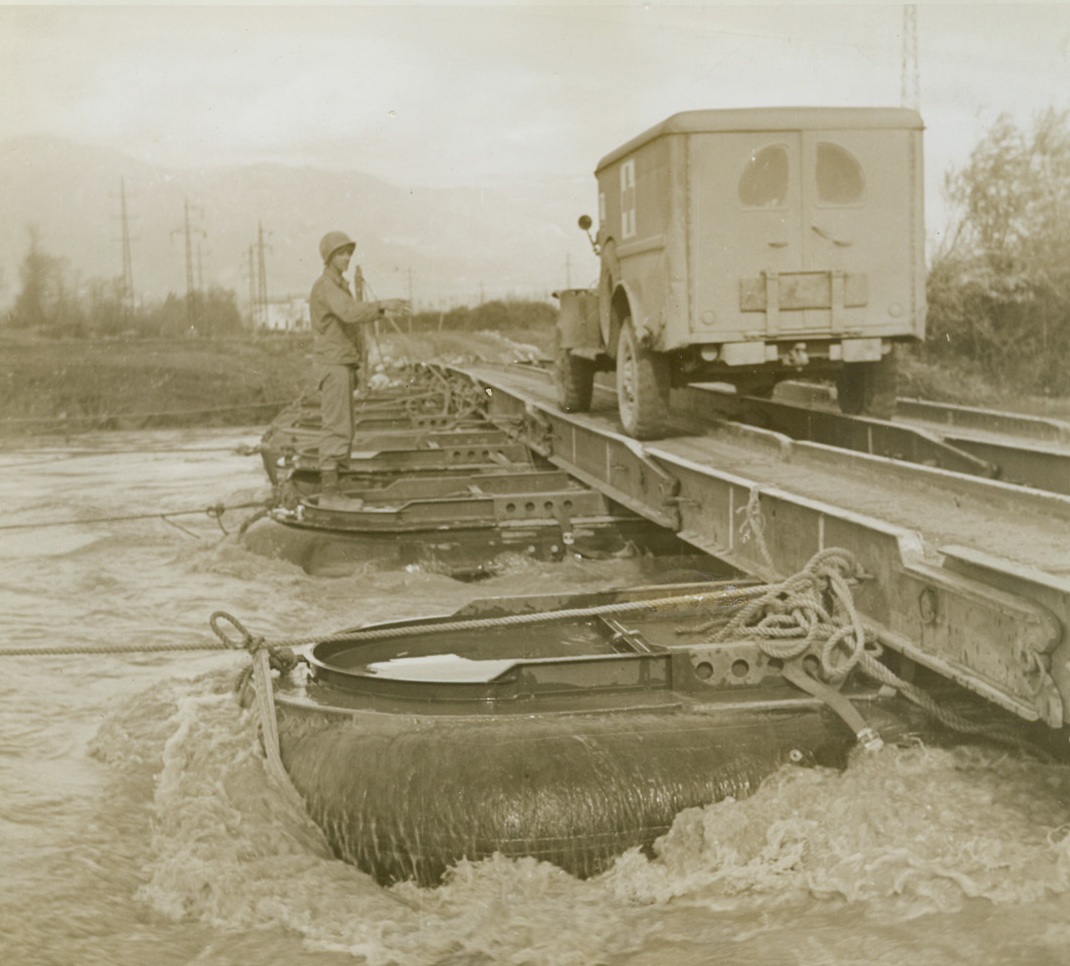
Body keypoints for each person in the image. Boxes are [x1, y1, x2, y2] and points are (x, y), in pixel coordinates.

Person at [309, 230, 408, 497]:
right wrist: (381, 306)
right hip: (334, 364)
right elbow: (349, 312)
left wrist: (381, 309)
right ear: (329, 257)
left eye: (349, 253)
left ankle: (336, 484)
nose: (347, 258)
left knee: (345, 427)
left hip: (342, 363)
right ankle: (330, 490)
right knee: (337, 427)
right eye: (341, 253)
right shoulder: (327, 286)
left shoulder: (339, 285)